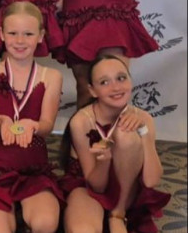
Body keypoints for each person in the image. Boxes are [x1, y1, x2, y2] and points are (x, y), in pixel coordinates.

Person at [0, 1, 63, 233]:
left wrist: (33, 125)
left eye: (28, 34)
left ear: (40, 36)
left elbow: (47, 124)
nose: (20, 41)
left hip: (34, 167)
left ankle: (31, 209)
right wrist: (1, 121)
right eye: (12, 33)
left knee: (45, 225)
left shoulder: (51, 76)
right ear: (2, 34)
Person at [60, 55, 170, 233]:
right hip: (89, 188)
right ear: (92, 90)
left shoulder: (143, 117)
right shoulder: (81, 122)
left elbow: (151, 181)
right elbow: (97, 186)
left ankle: (117, 214)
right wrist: (104, 162)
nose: (116, 87)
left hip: (126, 193)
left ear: (130, 80)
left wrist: (144, 133)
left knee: (126, 134)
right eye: (104, 82)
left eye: (121, 78)